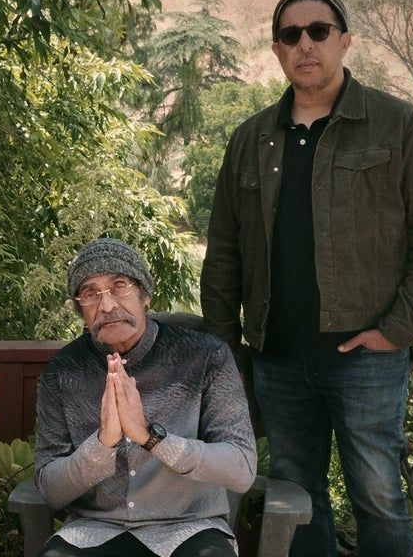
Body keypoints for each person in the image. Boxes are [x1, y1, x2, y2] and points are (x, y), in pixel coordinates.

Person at [200, 0, 413, 555]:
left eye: (319, 31)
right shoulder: (250, 138)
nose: (305, 44)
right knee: (295, 499)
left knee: (379, 498)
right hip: (277, 359)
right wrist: (227, 349)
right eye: (291, 34)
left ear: (344, 41)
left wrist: (398, 328)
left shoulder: (397, 126)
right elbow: (223, 252)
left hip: (368, 358)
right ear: (277, 49)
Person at [35, 238, 256, 557]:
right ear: (81, 309)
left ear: (145, 295)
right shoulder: (63, 372)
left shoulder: (205, 357)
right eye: (90, 293)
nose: (106, 305)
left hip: (188, 527)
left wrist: (151, 438)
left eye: (119, 286)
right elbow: (51, 490)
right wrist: (103, 444)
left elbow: (241, 467)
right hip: (93, 530)